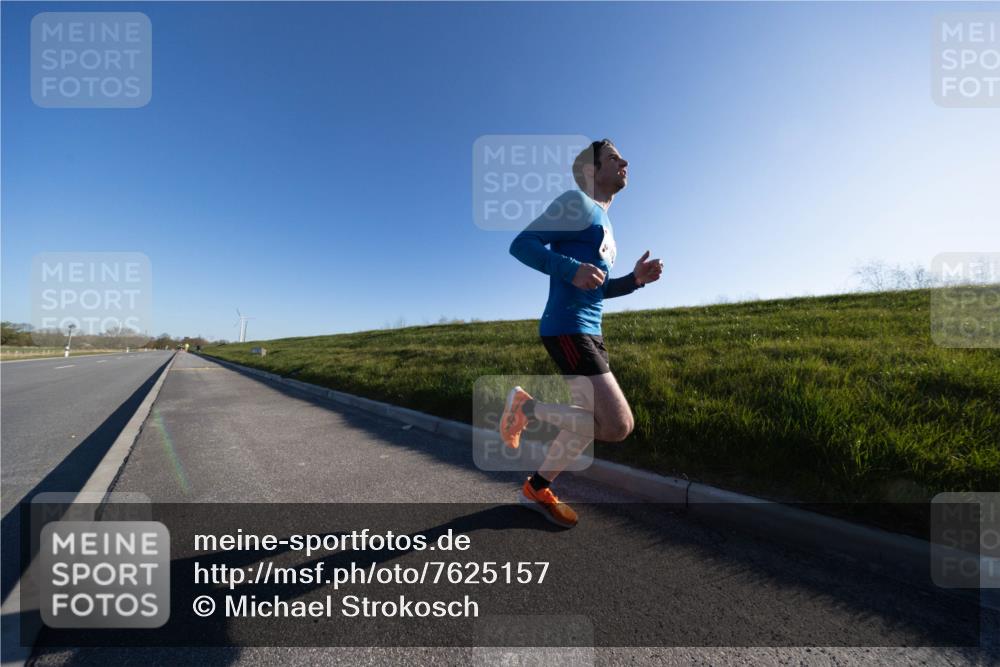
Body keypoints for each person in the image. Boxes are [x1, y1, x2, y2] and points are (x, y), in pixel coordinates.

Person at [501, 139, 663, 527]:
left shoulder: (604, 223)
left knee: (583, 421)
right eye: (613, 158)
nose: (625, 162)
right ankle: (525, 408)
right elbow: (521, 245)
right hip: (567, 327)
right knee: (617, 425)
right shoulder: (576, 204)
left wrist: (634, 282)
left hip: (590, 330)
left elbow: (600, 287)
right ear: (592, 171)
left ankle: (538, 487)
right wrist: (569, 267)